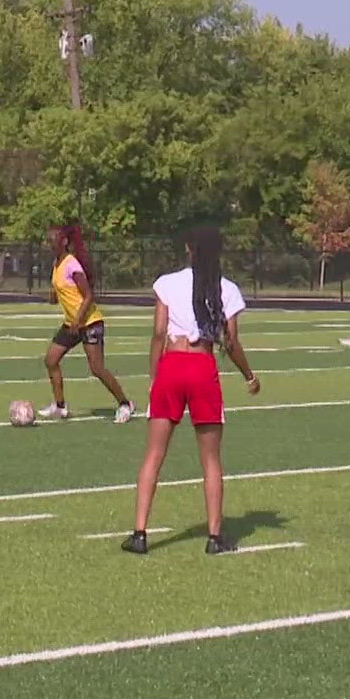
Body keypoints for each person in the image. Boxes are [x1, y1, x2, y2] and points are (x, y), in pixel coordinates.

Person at [123, 227, 259, 556]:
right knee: (210, 460)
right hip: (202, 367)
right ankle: (214, 537)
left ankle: (140, 532)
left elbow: (158, 333)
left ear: (188, 249)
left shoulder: (167, 283)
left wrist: (155, 374)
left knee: (153, 455)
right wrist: (249, 375)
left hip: (172, 364)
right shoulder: (226, 289)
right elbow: (231, 342)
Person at [39, 223, 134, 423]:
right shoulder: (56, 264)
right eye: (47, 240)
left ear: (64, 241)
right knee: (51, 360)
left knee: (97, 368)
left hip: (89, 322)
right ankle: (60, 406)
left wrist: (78, 319)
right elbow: (60, 292)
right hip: (72, 323)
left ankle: (125, 404)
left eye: (52, 239)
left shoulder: (71, 263)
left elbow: (89, 295)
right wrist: (53, 296)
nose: (48, 243)